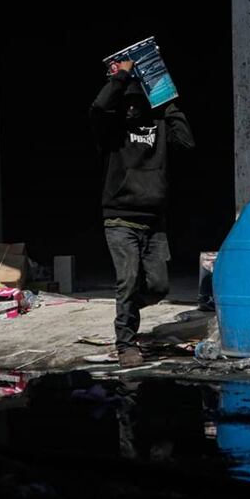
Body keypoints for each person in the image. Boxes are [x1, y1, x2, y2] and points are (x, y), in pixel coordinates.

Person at [90, 60, 194, 367]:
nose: (133, 108)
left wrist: (168, 98)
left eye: (139, 102)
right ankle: (126, 344)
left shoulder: (160, 124)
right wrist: (121, 76)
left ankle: (127, 312)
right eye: (128, 102)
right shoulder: (112, 132)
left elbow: (187, 141)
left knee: (159, 287)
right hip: (120, 219)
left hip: (153, 222)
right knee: (128, 280)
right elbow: (98, 108)